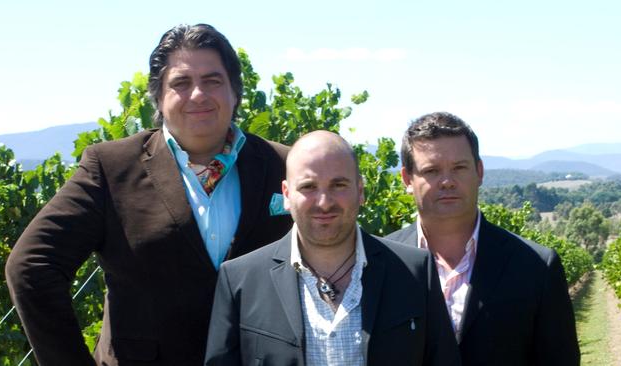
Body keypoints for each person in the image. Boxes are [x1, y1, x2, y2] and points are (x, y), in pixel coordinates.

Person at [5, 24, 292, 365]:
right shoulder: (111, 168)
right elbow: (31, 266)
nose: (198, 94)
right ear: (158, 96)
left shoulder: (286, 166)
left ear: (234, 91)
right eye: (181, 83)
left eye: (213, 80)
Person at [205, 130, 460, 366]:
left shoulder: (415, 271)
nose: (324, 202)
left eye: (339, 185)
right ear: (286, 194)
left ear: (360, 191)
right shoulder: (240, 280)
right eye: (308, 187)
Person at [385, 112, 580, 365]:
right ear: (407, 179)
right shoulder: (381, 262)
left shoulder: (537, 267)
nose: (447, 181)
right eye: (431, 170)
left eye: (459, 167)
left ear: (479, 171)